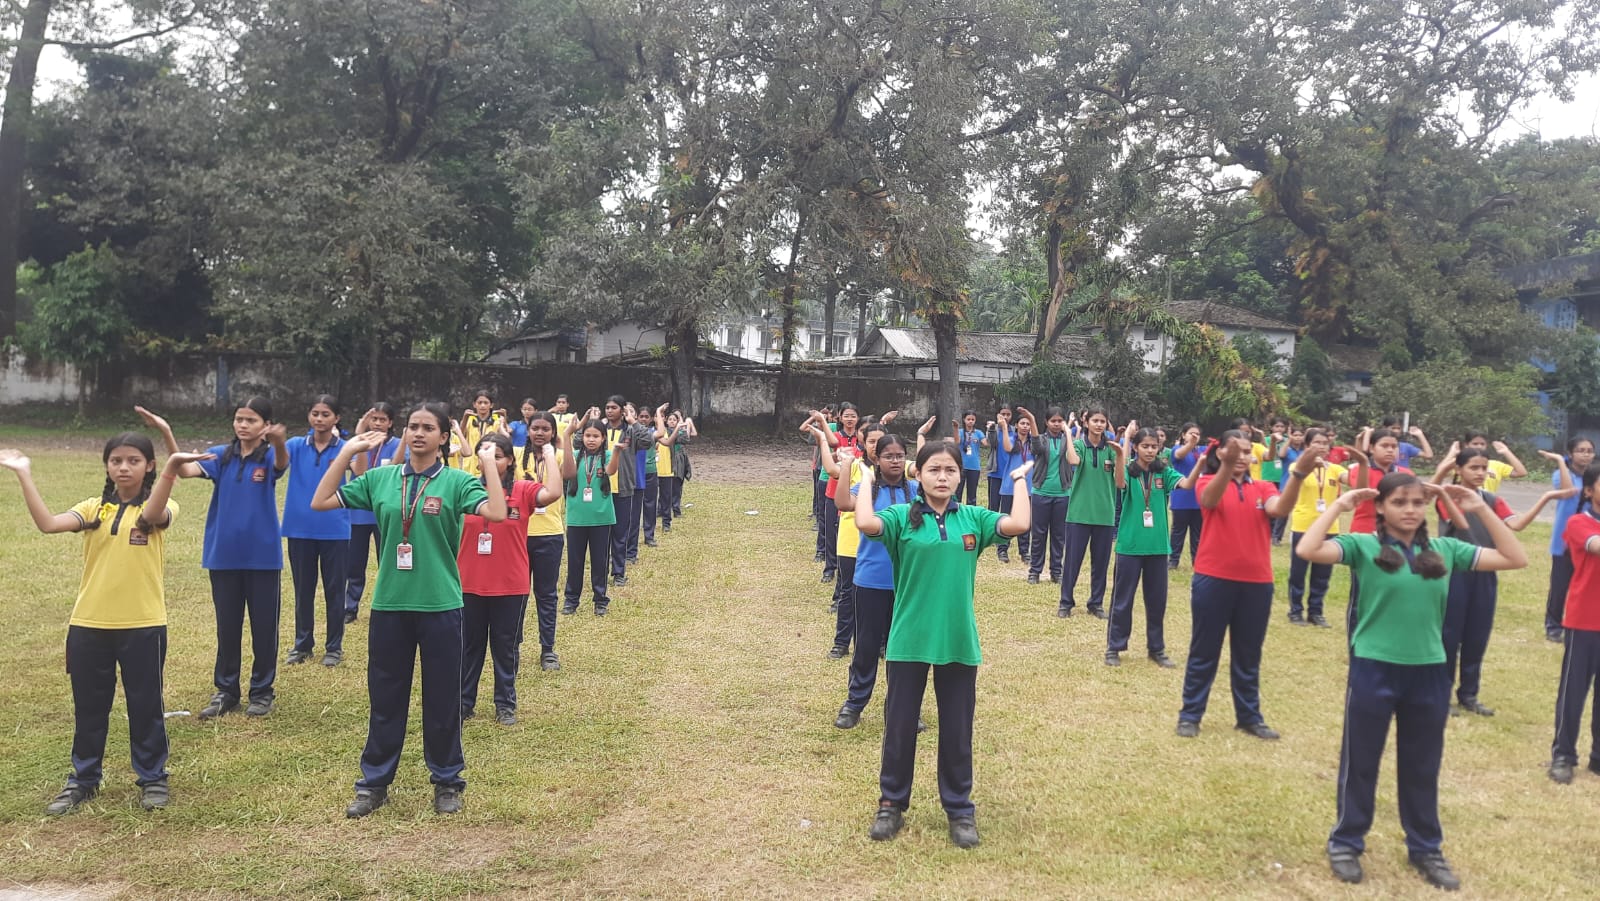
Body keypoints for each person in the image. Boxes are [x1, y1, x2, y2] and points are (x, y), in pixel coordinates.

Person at [1296, 473, 1526, 891]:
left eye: (1418, 502)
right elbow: (1308, 548)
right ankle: (1346, 842)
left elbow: (1514, 558)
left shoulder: (1445, 549)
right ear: (1382, 507)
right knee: (1361, 762)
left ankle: (1426, 848)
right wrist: (1340, 506)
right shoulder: (1364, 546)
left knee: (1422, 765)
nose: (1410, 509)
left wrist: (1478, 509)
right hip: (1373, 668)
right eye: (1400, 501)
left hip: (1429, 672)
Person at [311, 402, 507, 818]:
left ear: (442, 437)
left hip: (441, 605)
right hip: (390, 605)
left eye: (427, 428)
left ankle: (448, 780)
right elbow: (322, 501)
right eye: (412, 427)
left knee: (442, 699)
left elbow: (497, 512)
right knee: (385, 698)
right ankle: (374, 783)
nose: (417, 433)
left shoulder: (455, 482)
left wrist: (486, 461)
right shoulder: (381, 479)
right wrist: (347, 453)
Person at [0, 436, 208, 815]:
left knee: (145, 705)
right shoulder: (92, 508)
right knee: (90, 708)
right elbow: (47, 524)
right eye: (115, 460)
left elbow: (154, 515)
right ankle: (83, 779)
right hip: (88, 625)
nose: (123, 467)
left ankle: (153, 778)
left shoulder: (161, 505)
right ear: (107, 466)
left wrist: (173, 469)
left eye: (133, 460)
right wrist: (24, 473)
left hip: (143, 624)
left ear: (148, 466)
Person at [855, 441, 1033, 849]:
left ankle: (959, 810)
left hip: (957, 639)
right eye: (934, 469)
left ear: (958, 476)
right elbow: (865, 523)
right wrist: (866, 478)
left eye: (950, 470)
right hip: (909, 639)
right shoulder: (901, 517)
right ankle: (891, 804)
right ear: (918, 474)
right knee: (899, 729)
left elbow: (1019, 524)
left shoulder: (973, 518)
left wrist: (1020, 480)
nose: (942, 477)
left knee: (956, 730)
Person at [1176, 432, 1318, 740]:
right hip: (1213, 579)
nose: (1241, 456)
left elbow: (1279, 509)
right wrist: (1225, 466)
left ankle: (1249, 716)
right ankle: (1190, 714)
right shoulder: (1207, 481)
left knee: (1248, 653)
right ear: (1222, 453)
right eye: (1234, 451)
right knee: (1204, 650)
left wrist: (1299, 474)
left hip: (1256, 583)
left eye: (1245, 451)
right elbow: (1209, 500)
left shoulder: (1263, 487)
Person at [167, 397, 289, 720]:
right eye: (239, 419)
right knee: (227, 627)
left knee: (264, 627)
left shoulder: (269, 456)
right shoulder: (222, 455)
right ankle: (226, 690)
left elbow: (281, 462)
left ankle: (262, 691)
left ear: (265, 425)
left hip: (263, 557)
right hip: (223, 556)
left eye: (250, 420)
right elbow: (183, 469)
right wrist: (167, 433)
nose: (242, 425)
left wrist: (278, 440)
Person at [1431, 446, 1571, 716]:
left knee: (1477, 635)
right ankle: (1441, 694)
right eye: (1474, 467)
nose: (1480, 473)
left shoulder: (1491, 500)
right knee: (1449, 636)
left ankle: (1469, 695)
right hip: (1454, 575)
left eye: (1484, 468)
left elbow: (1516, 524)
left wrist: (1546, 497)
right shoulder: (1448, 496)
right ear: (1458, 470)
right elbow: (1449, 512)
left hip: (1485, 574)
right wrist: (1442, 473)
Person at [458, 434, 561, 726]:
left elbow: (553, 492)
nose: (488, 460)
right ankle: (464, 703)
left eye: (496, 455)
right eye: (483, 454)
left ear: (510, 460)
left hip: (510, 585)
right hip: (469, 583)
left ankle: (505, 703)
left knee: (505, 647)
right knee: (470, 647)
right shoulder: (466, 490)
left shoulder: (523, 490)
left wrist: (549, 454)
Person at [832, 432, 917, 725]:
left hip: (907, 583)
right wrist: (846, 467)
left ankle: (903, 708)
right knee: (866, 646)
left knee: (904, 649)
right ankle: (854, 705)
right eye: (889, 456)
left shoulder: (917, 491)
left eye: (900, 455)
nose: (895, 460)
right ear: (876, 459)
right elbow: (843, 503)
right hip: (870, 580)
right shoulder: (867, 487)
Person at [1106, 425, 1194, 667]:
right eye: (1145, 446)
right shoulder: (1129, 472)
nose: (1150, 450)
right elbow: (1119, 482)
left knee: (1157, 602)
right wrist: (1121, 452)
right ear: (1136, 447)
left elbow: (1186, 485)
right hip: (1130, 547)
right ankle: (1114, 647)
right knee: (1122, 600)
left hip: (1157, 548)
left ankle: (1157, 648)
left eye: (1154, 446)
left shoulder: (1163, 472)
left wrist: (1201, 464)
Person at [282, 396, 352, 668]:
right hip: (299, 529)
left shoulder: (345, 448)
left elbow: (360, 472)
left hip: (335, 529)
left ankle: (333, 647)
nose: (319, 419)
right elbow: (276, 465)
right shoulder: (295, 445)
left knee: (335, 591)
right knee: (303, 590)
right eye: (315, 413)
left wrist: (357, 448)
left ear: (336, 418)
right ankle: (302, 644)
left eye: (326, 414)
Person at [1551, 462, 1600, 785]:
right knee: (1573, 693)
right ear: (1588, 490)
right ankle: (1563, 754)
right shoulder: (1579, 522)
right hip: (1584, 620)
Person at [521, 412, 574, 671]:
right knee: (516, 595)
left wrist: (565, 441)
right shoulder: (517, 454)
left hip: (549, 535)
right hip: (518, 535)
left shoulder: (558, 456)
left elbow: (571, 473)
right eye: (535, 428)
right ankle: (513, 645)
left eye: (545, 429)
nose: (540, 433)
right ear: (528, 430)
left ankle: (548, 649)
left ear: (552, 432)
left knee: (546, 594)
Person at [343, 404, 400, 624]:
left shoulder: (397, 445)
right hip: (358, 512)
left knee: (386, 560)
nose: (377, 423)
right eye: (374, 419)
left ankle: (389, 603)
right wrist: (360, 437)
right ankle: (350, 607)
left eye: (382, 419)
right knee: (354, 562)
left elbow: (395, 468)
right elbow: (359, 471)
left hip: (383, 512)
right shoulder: (355, 444)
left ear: (390, 423)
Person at [1060, 407, 1118, 618]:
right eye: (1095, 420)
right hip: (1078, 515)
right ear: (1087, 423)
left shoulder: (1111, 449)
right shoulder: (1079, 445)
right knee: (1072, 562)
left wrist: (1124, 445)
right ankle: (1066, 602)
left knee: (1101, 563)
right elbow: (1073, 461)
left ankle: (1096, 603)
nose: (1099, 424)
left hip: (1105, 515)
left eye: (1103, 421)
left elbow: (1121, 475)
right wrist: (1067, 432)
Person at [564, 410, 623, 615]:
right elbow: (566, 473)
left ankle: (600, 600)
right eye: (588, 435)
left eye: (596, 436)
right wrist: (566, 435)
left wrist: (615, 452)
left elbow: (611, 471)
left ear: (603, 438)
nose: (591, 440)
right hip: (576, 518)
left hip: (601, 518)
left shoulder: (606, 455)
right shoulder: (573, 456)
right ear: (582, 437)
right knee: (575, 561)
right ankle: (571, 600)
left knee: (600, 561)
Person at [1286, 428, 1345, 627]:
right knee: (1298, 571)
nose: (1321, 447)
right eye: (1316, 443)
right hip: (1303, 524)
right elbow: (1297, 476)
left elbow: (1352, 480)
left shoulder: (1335, 469)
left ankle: (1316, 611)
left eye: (1324, 443)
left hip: (1329, 527)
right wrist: (1311, 465)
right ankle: (1295, 610)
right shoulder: (1297, 465)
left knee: (1323, 573)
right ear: (1307, 445)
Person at [602, 396, 656, 586]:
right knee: (603, 534)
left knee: (620, 532)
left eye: (614, 408)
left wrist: (633, 421)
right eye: (607, 407)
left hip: (623, 488)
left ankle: (618, 572)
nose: (609, 411)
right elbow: (580, 442)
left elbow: (648, 441)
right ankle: (602, 571)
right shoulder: (601, 429)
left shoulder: (630, 431)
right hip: (602, 489)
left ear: (622, 410)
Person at [1546, 438, 1596, 643]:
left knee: (1587, 585)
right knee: (1560, 586)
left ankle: (1583, 623)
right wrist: (1560, 460)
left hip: (1591, 539)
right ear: (1571, 454)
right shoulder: (1561, 474)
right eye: (1580, 450)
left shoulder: (1595, 477)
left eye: (1590, 451)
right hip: (1565, 541)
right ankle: (1553, 626)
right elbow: (1568, 491)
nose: (1586, 454)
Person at [1017, 406, 1071, 587]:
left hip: (1063, 494)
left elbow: (1073, 457)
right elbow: (1035, 445)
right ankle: (1035, 571)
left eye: (1059, 421)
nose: (1056, 424)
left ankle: (1057, 571)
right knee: (1039, 534)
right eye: (1053, 421)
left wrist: (1070, 432)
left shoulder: (1067, 441)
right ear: (1046, 422)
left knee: (1059, 535)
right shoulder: (1041, 440)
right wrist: (1031, 419)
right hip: (1041, 493)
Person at [994, 410, 1032, 566]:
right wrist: (1003, 427)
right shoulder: (1010, 439)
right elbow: (1007, 448)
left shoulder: (1033, 443)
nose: (1025, 426)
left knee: (1026, 520)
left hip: (1028, 487)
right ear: (1016, 426)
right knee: (1006, 518)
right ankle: (1002, 549)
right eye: (1022, 423)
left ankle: (1024, 551)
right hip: (1009, 487)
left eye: (1028, 424)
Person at [1167, 423, 1204, 570]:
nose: (1195, 436)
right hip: (1181, 499)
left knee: (1198, 533)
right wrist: (1190, 444)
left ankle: (1198, 561)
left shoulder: (1202, 451)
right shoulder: (1177, 449)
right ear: (1183, 435)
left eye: (1197, 434)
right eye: (1191, 433)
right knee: (1178, 532)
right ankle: (1173, 560)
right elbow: (1179, 455)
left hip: (1199, 499)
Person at [655, 409, 694, 533]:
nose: (671, 421)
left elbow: (686, 439)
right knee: (658, 493)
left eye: (674, 419)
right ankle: (658, 512)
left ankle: (672, 514)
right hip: (658, 466)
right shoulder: (657, 432)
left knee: (673, 490)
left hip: (672, 466)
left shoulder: (674, 433)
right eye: (670, 419)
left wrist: (681, 427)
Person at [458, 391, 509, 476]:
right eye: (479, 402)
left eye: (486, 403)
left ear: (491, 405)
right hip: (470, 464)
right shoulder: (469, 420)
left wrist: (504, 420)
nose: (482, 405)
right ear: (474, 404)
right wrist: (465, 419)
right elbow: (460, 436)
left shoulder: (496, 421)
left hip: (490, 461)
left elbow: (506, 439)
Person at [1459, 430, 1525, 493]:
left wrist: (1506, 452)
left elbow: (1521, 472)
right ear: (1466, 445)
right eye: (1475, 444)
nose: (1479, 446)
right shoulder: (1460, 463)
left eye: (1482, 444)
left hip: (1488, 503)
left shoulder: (1496, 465)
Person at [954, 411, 983, 506]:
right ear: (964, 420)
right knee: (957, 492)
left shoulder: (978, 433)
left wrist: (991, 430)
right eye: (968, 419)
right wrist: (955, 428)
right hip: (961, 466)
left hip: (974, 467)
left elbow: (986, 443)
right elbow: (957, 442)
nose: (970, 421)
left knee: (972, 495)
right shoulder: (960, 432)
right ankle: (955, 512)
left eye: (973, 419)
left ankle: (970, 513)